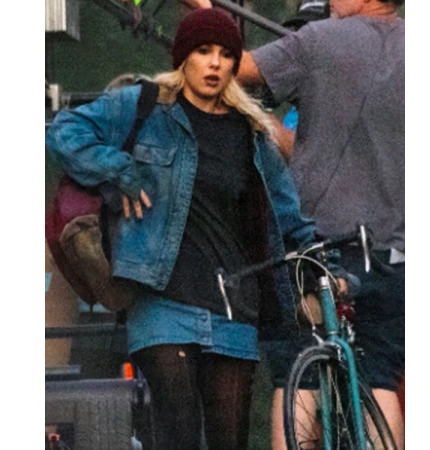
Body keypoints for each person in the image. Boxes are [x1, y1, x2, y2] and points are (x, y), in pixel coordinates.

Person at [45, 8, 333, 449]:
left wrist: (322, 263)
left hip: (234, 308)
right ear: (184, 57)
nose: (215, 63)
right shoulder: (144, 105)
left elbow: (288, 215)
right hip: (162, 302)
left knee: (228, 440)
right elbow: (65, 131)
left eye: (226, 54)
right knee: (177, 432)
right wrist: (119, 169)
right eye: (203, 51)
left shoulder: (252, 133)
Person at [184, 0, 405, 448]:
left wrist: (204, 11)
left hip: (318, 244)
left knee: (297, 375)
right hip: (394, 251)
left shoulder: (321, 41)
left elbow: (228, 67)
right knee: (379, 377)